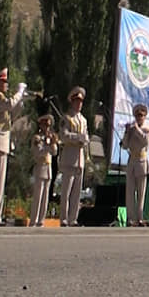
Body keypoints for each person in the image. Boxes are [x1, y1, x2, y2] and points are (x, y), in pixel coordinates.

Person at [0, 68, 27, 226]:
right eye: (4, 82)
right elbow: (9, 104)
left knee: (0, 184)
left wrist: (20, 102)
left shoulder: (2, 99)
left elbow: (12, 115)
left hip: (3, 143)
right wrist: (19, 92)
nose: (7, 84)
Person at [58, 86, 89, 227]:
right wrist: (77, 138)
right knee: (66, 191)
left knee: (77, 192)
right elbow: (63, 136)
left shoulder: (83, 120)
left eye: (81, 101)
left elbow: (86, 136)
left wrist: (84, 140)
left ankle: (73, 218)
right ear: (72, 102)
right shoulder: (67, 118)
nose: (79, 104)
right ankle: (64, 218)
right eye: (77, 101)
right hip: (69, 157)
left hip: (80, 158)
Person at [120, 104, 149, 227]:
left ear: (145, 117)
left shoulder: (146, 130)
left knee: (141, 192)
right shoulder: (132, 130)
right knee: (130, 192)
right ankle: (130, 218)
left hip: (142, 161)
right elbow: (125, 145)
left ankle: (140, 217)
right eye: (137, 116)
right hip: (132, 161)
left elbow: (145, 141)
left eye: (141, 116)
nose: (139, 118)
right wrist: (127, 132)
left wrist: (136, 128)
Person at [30, 114, 59, 227]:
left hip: (48, 169)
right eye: (45, 125)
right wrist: (48, 145)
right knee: (38, 196)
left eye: (48, 126)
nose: (47, 128)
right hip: (40, 167)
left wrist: (53, 143)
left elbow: (54, 152)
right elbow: (38, 152)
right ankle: (34, 220)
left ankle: (41, 220)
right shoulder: (37, 138)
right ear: (41, 125)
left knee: (45, 197)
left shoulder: (49, 138)